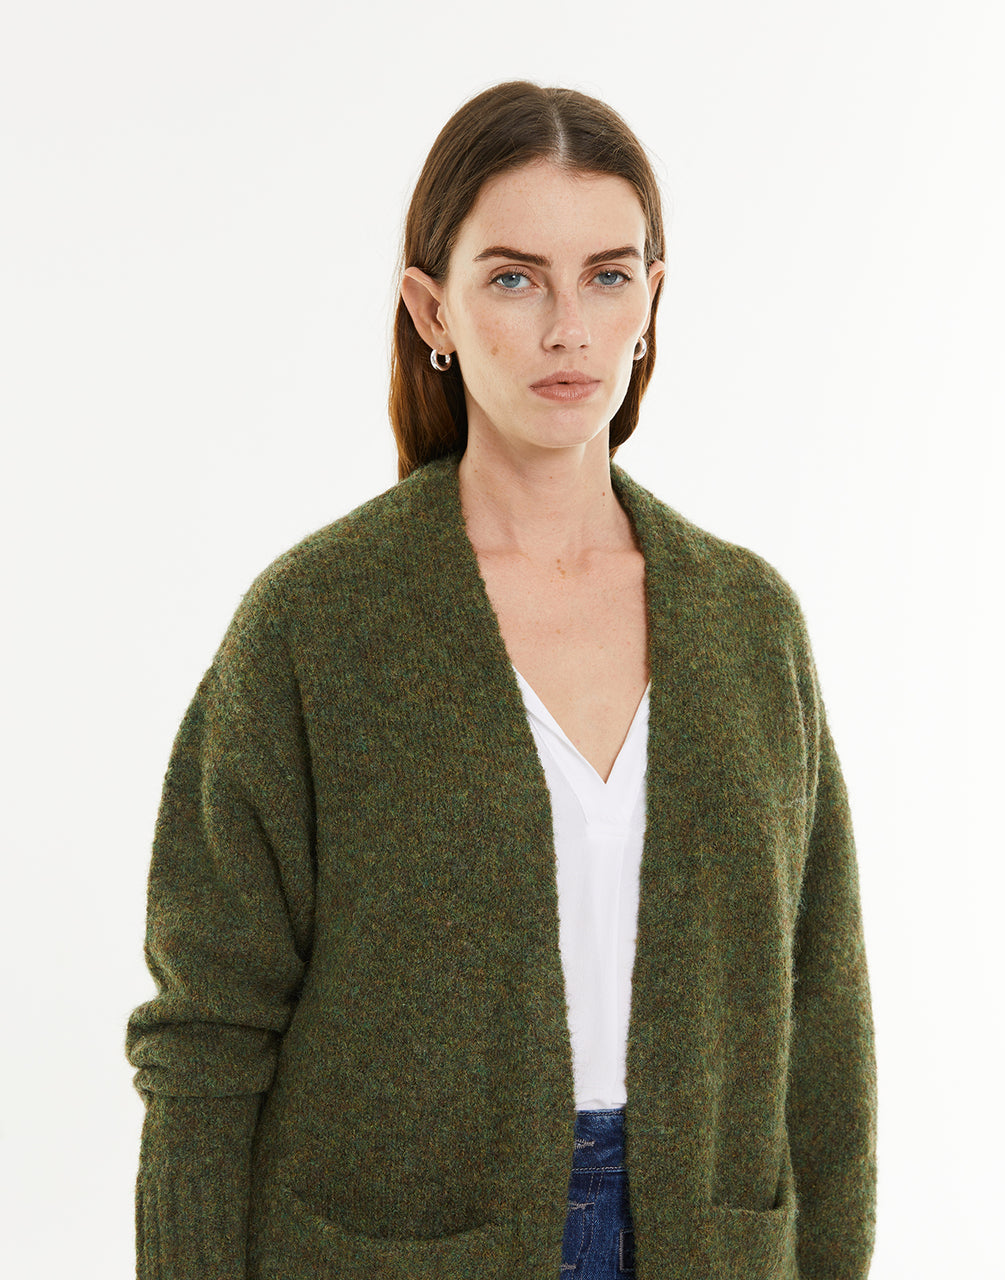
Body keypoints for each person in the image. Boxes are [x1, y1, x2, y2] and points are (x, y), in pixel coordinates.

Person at [126, 80, 877, 1279]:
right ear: (433, 308)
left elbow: (819, 1018)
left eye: (607, 275)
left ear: (652, 299)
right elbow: (207, 1037)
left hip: (714, 1240)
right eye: (516, 278)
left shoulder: (748, 624)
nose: (567, 329)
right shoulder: (318, 624)